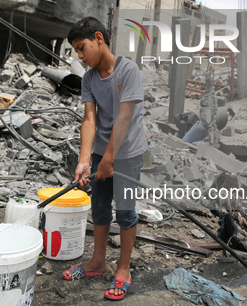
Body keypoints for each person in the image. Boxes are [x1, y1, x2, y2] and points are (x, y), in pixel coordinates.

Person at [62, 17, 148, 301]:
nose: (80, 56)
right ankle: (97, 263)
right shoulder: (88, 79)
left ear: (99, 38)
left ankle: (123, 268)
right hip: (102, 151)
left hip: (128, 152)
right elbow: (89, 119)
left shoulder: (128, 70)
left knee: (124, 212)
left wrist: (109, 159)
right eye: (76, 50)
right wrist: (85, 159)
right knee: (99, 208)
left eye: (82, 47)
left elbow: (124, 117)